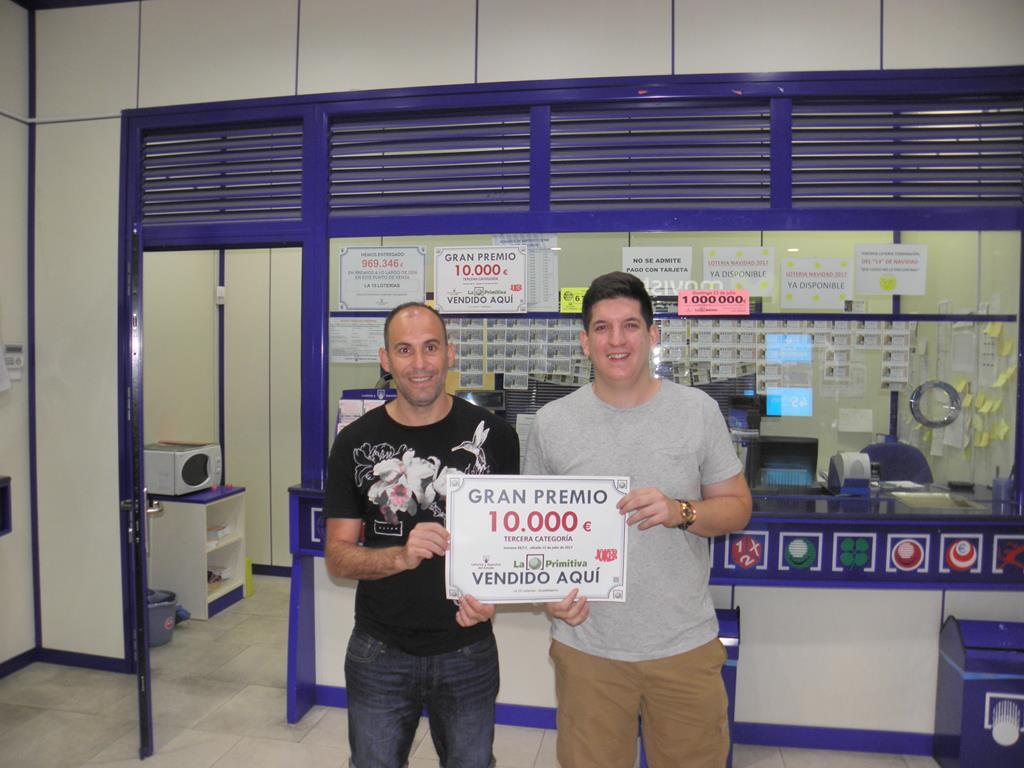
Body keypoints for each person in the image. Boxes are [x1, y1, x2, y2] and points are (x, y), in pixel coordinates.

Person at [524, 272, 752, 768]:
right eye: (602, 328)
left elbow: (737, 506)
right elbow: (530, 538)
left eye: (630, 325)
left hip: (683, 645)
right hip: (588, 649)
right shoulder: (552, 423)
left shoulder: (697, 411)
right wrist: (547, 596)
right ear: (585, 342)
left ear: (653, 335)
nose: (617, 340)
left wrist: (680, 511)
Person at [324, 302, 519, 768]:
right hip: (380, 651)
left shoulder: (495, 436)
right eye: (404, 350)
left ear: (450, 354)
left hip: (468, 647)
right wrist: (400, 556)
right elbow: (338, 557)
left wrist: (494, 596)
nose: (419, 363)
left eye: (431, 348)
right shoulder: (354, 442)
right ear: (385, 359)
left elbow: (509, 545)